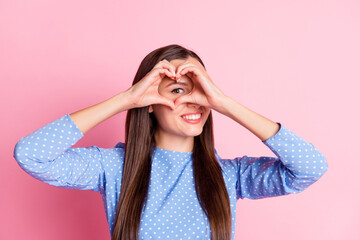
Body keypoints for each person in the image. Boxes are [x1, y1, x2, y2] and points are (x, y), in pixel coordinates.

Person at [13, 44, 328, 240]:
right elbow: (32, 155)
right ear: (149, 102)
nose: (194, 101)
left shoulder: (230, 175)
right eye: (178, 90)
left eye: (200, 91)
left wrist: (224, 102)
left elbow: (310, 168)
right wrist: (126, 99)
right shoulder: (113, 168)